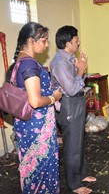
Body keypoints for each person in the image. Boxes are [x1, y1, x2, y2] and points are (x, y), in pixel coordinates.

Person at [5, 22, 62, 193]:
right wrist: (54, 97)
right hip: (37, 128)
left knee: (33, 168)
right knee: (41, 169)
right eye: (44, 41)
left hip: (27, 124)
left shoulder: (20, 62)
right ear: (31, 40)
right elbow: (35, 101)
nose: (46, 45)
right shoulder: (29, 64)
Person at [50, 26, 96, 194]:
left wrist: (81, 70)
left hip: (77, 101)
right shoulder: (59, 62)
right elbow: (70, 89)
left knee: (79, 141)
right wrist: (81, 70)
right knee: (71, 144)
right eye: (76, 41)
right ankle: (74, 184)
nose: (79, 43)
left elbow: (79, 82)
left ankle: (81, 174)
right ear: (68, 43)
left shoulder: (70, 58)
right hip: (68, 104)